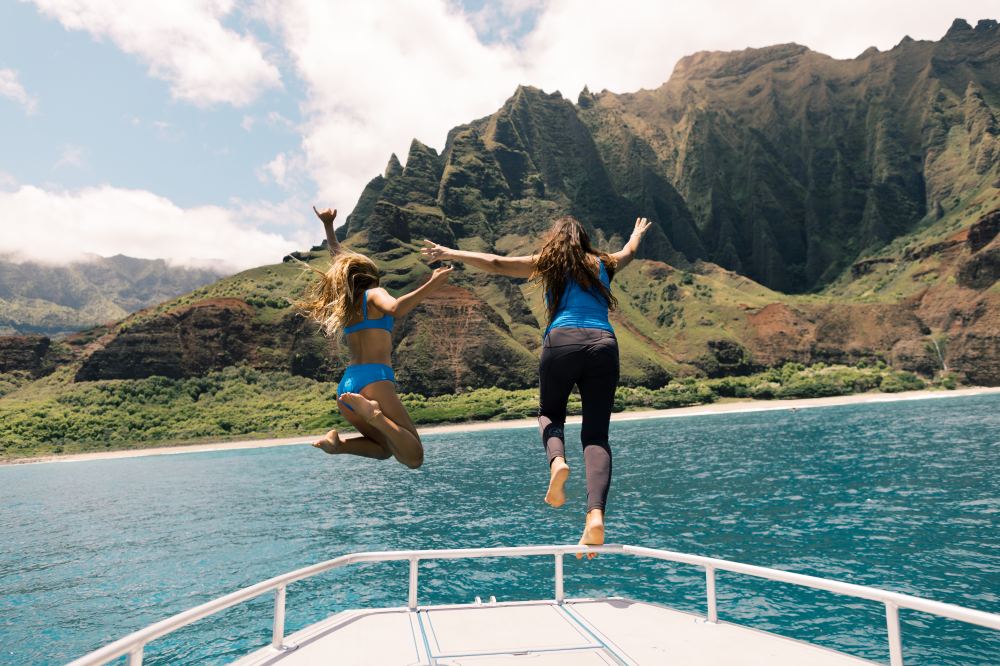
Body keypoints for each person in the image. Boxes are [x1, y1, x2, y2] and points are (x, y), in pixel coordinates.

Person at [422, 216, 651, 556]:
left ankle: (557, 462)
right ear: (585, 239)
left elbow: (497, 264)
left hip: (561, 341)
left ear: (555, 239)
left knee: (550, 414)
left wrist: (450, 252)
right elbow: (629, 251)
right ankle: (595, 516)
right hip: (604, 343)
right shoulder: (604, 262)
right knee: (596, 435)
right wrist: (635, 234)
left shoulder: (550, 262)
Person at [299, 206, 452, 469]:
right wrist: (432, 283)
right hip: (374, 380)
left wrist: (328, 226)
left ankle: (338, 445)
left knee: (384, 450)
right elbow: (396, 308)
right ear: (372, 276)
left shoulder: (348, 305)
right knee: (414, 457)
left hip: (347, 386)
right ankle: (375, 414)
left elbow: (339, 261)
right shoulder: (374, 293)